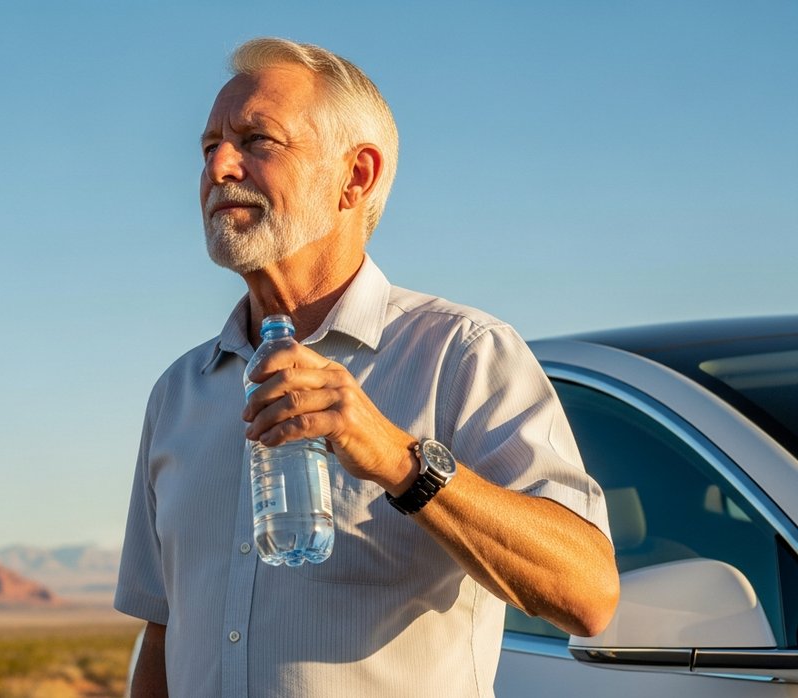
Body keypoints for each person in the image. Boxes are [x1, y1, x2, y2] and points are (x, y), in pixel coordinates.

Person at [114, 37, 619, 697]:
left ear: (356, 176)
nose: (219, 167)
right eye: (209, 146)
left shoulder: (463, 353)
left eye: (257, 140)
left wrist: (398, 459)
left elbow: (588, 594)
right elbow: (163, 631)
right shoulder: (179, 393)